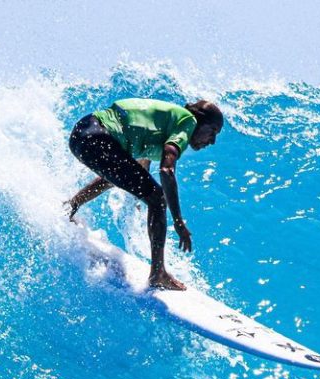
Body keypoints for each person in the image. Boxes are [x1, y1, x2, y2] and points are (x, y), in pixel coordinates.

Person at [65, 98, 224, 290]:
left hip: (82, 134)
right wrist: (178, 221)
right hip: (100, 138)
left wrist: (141, 195)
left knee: (116, 177)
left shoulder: (163, 122)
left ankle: (69, 208)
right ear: (200, 121)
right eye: (212, 131)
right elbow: (167, 170)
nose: (213, 141)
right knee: (158, 199)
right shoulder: (188, 121)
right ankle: (158, 274)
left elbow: (135, 171)